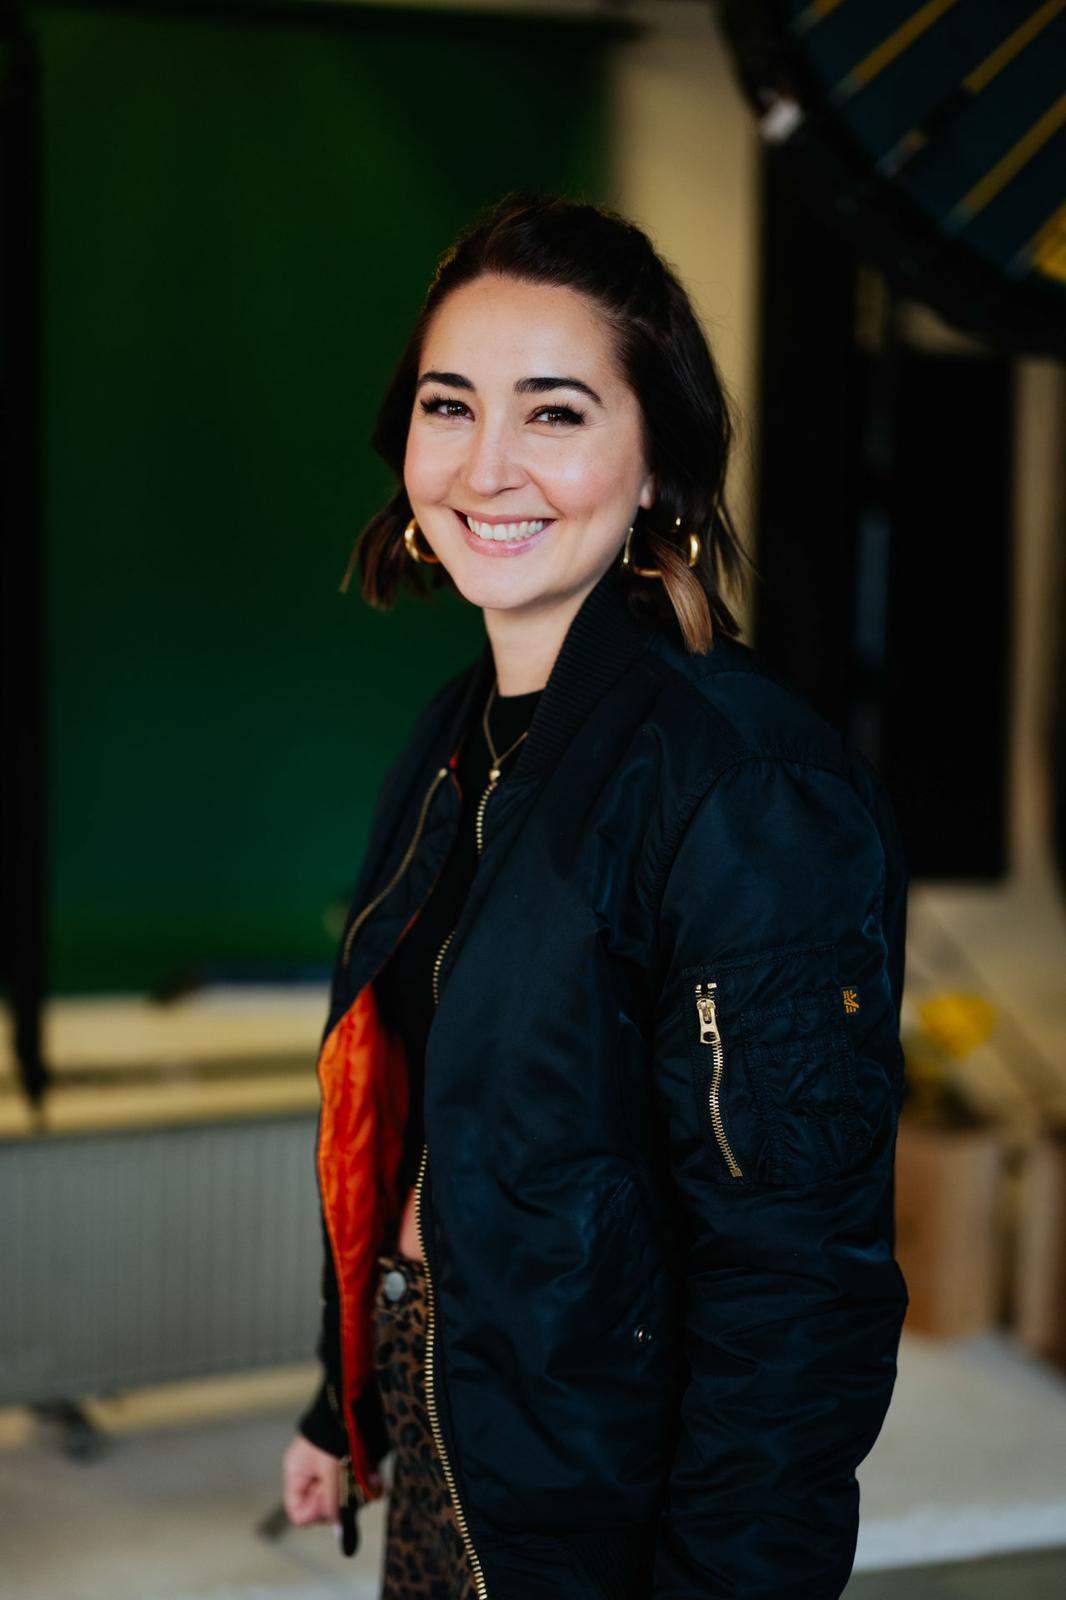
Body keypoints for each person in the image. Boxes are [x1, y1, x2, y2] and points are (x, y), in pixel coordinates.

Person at [281, 192, 909, 1600]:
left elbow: (794, 1286)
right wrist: (344, 1397)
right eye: (450, 406)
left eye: (554, 413)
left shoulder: (746, 789)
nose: (486, 464)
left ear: (658, 469)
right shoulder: (450, 739)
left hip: (605, 1497)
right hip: (457, 1414)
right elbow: (410, 1110)